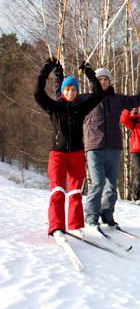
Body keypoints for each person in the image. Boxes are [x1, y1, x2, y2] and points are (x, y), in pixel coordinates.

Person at [57, 64, 140, 228]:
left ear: (109, 81)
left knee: (111, 186)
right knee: (97, 183)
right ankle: (92, 217)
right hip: (94, 146)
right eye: (99, 79)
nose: (102, 82)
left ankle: (107, 215)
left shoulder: (117, 99)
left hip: (113, 146)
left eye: (105, 79)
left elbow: (139, 99)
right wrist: (59, 77)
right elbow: (63, 97)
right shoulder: (86, 99)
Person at [35, 58, 103, 243]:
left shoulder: (80, 109)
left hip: (77, 154)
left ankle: (75, 226)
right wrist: (45, 71)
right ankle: (57, 227)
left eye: (74, 89)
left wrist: (89, 73)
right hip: (57, 154)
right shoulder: (55, 108)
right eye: (67, 89)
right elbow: (38, 94)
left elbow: (98, 95)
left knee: (75, 193)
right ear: (63, 92)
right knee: (57, 191)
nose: (71, 92)